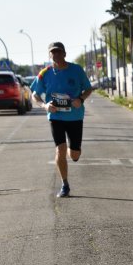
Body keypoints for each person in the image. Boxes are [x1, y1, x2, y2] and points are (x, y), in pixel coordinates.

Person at [31, 42, 92, 198]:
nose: (56, 55)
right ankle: (65, 185)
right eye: (53, 53)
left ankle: (75, 152)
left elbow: (88, 88)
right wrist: (44, 106)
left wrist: (81, 99)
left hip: (75, 116)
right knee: (60, 149)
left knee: (74, 155)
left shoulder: (76, 69)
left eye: (59, 52)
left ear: (64, 54)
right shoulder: (44, 73)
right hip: (55, 116)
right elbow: (34, 95)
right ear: (49, 55)